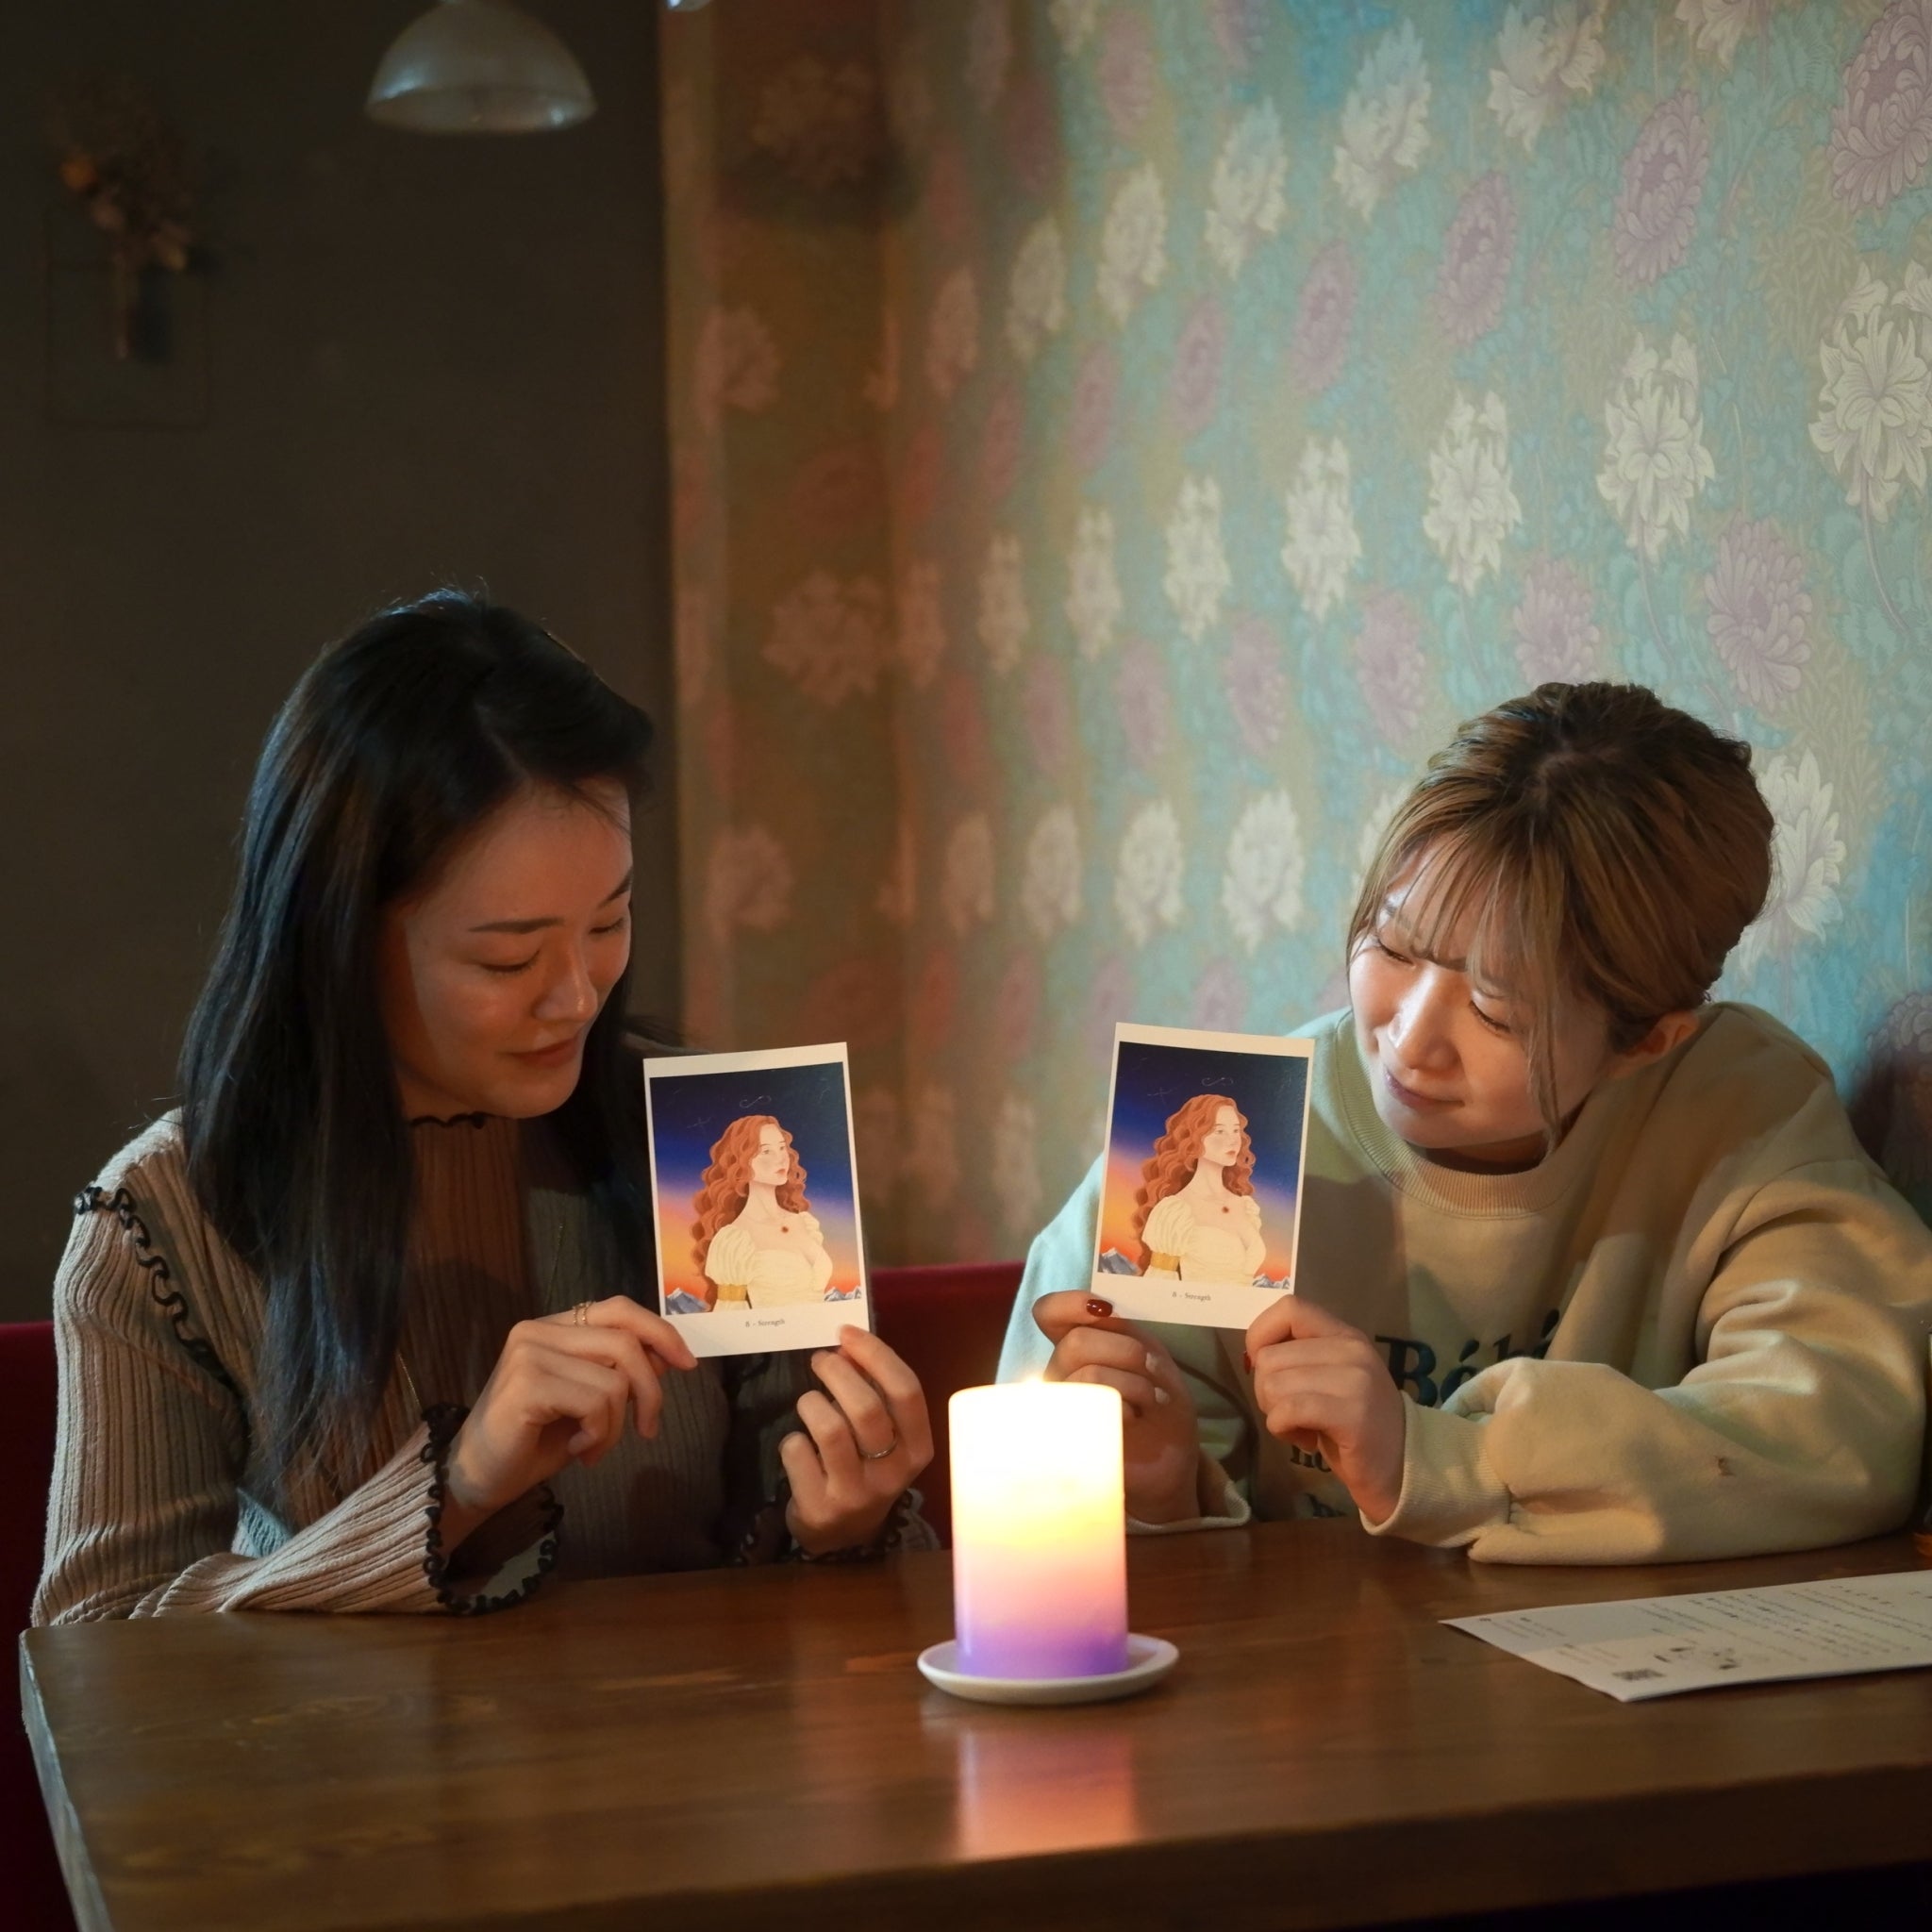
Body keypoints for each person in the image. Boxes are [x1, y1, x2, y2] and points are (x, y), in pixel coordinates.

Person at [36, 592, 932, 1624]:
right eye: (508, 958)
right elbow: (94, 1648)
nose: (576, 997)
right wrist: (458, 1487)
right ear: (341, 938)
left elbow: (850, 1599)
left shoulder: (714, 1137)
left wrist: (846, 1526)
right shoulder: (161, 1222)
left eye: (610, 921)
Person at [1002, 684, 1932, 1564]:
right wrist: (1160, 1491)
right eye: (1391, 946)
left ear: (1645, 1041)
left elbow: (1842, 1431)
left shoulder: (1732, 1112)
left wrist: (1439, 1457)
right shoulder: (1228, 1120)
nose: (1409, 1042)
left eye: (1496, 1011)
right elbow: (1029, 1518)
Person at [693, 1117, 836, 1307]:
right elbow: (730, 1314)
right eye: (766, 1151)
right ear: (741, 1162)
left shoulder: (804, 1222)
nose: (781, 1158)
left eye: (782, 1148)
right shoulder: (735, 1240)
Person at [1135, 1095, 1265, 1286]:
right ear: (1193, 1138)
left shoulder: (1245, 1205)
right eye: (1219, 1131)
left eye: (1236, 1130)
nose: (1232, 1140)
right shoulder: (1175, 1211)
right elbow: (1158, 1286)